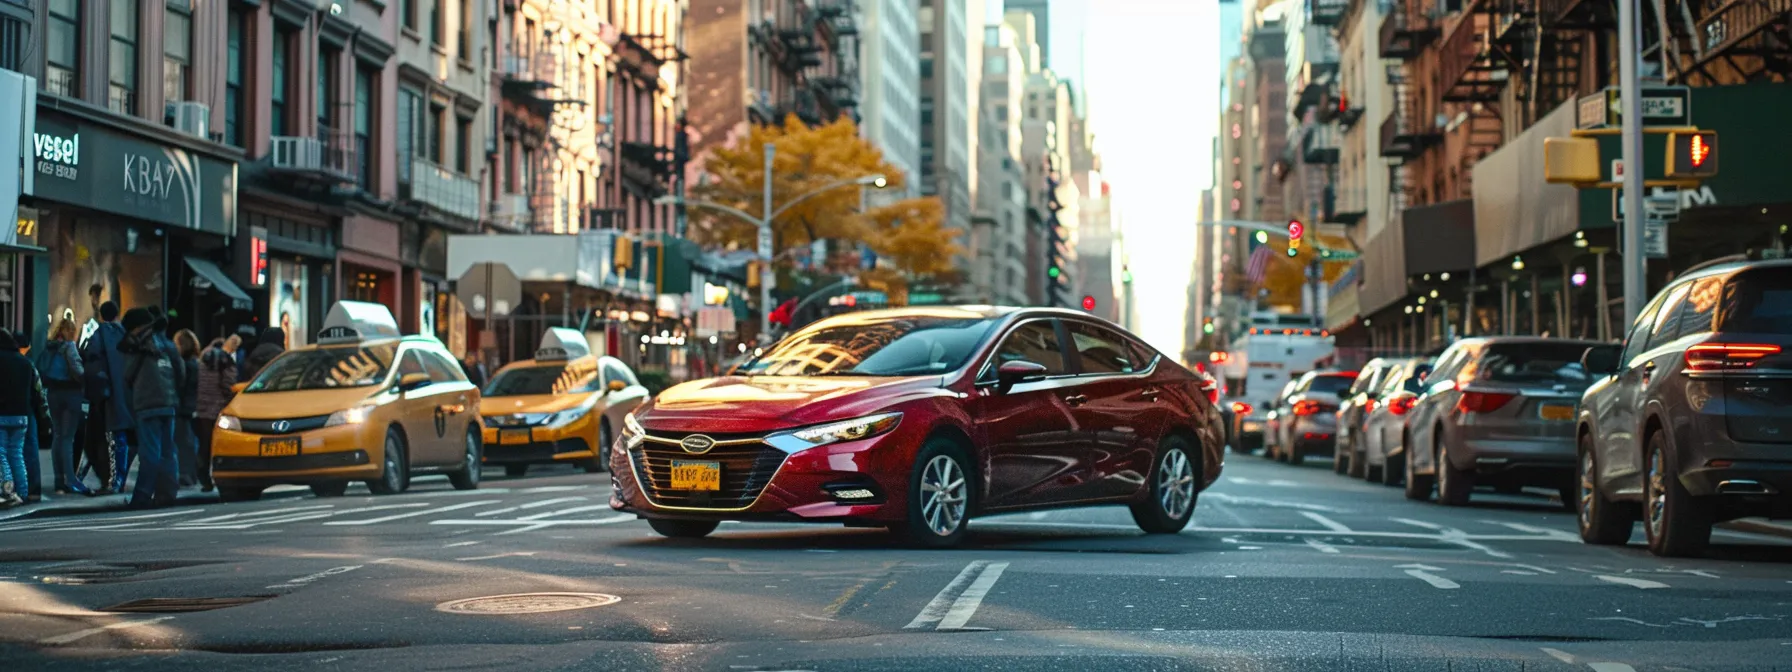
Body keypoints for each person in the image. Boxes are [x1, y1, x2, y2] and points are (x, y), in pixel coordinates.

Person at [119, 308, 180, 508]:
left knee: (150, 453)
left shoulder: (137, 344)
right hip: (168, 402)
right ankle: (167, 494)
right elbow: (180, 371)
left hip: (147, 402)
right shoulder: (166, 343)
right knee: (168, 452)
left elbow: (127, 374)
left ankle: (142, 496)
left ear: (135, 327)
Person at [80, 301, 133, 494]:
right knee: (122, 438)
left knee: (106, 438)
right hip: (125, 392)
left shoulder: (98, 335)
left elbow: (89, 359)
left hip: (105, 394)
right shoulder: (125, 334)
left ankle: (111, 481)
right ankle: (119, 479)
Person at [37, 318, 89, 496]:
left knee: (58, 436)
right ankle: (70, 480)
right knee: (68, 438)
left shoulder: (50, 346)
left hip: (53, 393)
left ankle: (59, 480)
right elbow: (78, 371)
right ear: (71, 332)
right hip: (70, 394)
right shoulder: (69, 347)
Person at [0, 330, 44, 506]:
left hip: (2, 413)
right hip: (22, 414)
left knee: (1, 453)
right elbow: (36, 389)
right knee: (16, 454)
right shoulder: (25, 362)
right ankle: (23, 492)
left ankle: (7, 490)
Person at [195, 337, 238, 492]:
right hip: (218, 409)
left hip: (201, 409)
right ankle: (221, 475)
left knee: (204, 445)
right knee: (221, 444)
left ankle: (204, 478)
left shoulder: (202, 360)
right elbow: (228, 385)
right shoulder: (225, 360)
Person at [173, 330, 202, 488]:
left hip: (183, 408)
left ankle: (186, 476)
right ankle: (192, 475)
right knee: (191, 444)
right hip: (193, 408)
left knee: (184, 444)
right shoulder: (196, 363)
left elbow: (181, 386)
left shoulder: (185, 365)